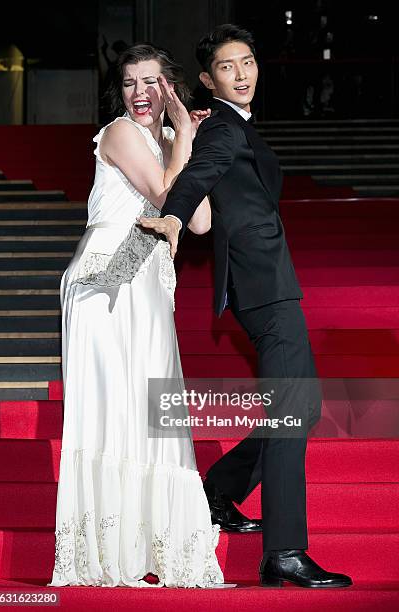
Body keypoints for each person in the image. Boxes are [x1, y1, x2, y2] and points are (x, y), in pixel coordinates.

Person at [139, 24, 353, 589]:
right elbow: (198, 174)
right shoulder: (222, 130)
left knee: (299, 409)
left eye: (248, 62)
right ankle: (283, 552)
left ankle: (219, 490)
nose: (242, 73)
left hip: (269, 281)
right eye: (228, 67)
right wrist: (174, 216)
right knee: (292, 415)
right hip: (264, 288)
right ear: (209, 79)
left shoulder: (236, 125)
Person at [47, 43, 225, 588]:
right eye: (129, 83)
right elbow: (162, 192)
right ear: (120, 91)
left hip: (146, 285)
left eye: (151, 82)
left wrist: (180, 140)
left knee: (149, 413)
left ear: (169, 87)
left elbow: (198, 223)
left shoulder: (167, 142)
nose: (140, 93)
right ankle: (106, 553)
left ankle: (152, 545)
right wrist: (184, 141)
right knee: (113, 413)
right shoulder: (121, 133)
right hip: (105, 282)